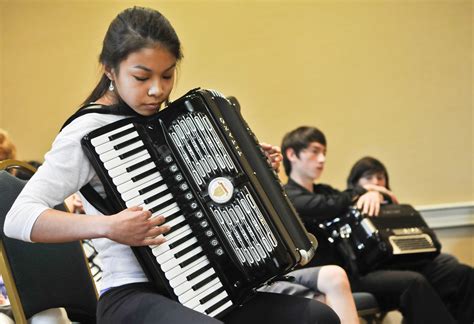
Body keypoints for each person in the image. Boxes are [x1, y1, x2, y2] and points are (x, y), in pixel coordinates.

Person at [5, 7, 339, 324]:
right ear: (109, 69)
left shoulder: (174, 121)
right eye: (141, 76)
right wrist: (107, 226)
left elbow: (211, 202)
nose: (157, 90)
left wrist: (255, 174)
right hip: (130, 294)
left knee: (315, 317)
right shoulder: (86, 131)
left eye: (167, 76)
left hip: (207, 286)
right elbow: (19, 218)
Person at [280, 126, 474, 324]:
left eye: (324, 153)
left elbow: (343, 200)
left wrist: (372, 193)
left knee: (460, 274)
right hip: (344, 278)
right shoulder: (287, 196)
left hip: (367, 266)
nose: (322, 159)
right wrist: (363, 191)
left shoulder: (326, 190)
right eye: (315, 151)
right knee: (413, 282)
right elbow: (324, 206)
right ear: (292, 154)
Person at [346, 156, 474, 323]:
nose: (376, 182)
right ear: (355, 183)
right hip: (368, 274)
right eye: (369, 178)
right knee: (414, 281)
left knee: (462, 273)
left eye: (380, 177)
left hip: (407, 265)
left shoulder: (398, 209)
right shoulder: (347, 211)